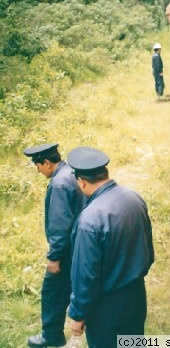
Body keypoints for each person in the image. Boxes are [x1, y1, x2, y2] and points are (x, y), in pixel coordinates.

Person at [67, 146, 154, 348]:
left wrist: (77, 314)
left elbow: (85, 274)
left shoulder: (89, 220)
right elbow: (147, 249)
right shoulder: (134, 197)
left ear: (81, 182)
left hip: (106, 308)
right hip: (136, 296)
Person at [23, 143, 85, 348]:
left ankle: (51, 335)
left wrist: (54, 257)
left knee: (52, 292)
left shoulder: (59, 183)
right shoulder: (72, 172)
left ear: (47, 162)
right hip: (80, 245)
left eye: (38, 166)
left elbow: (60, 224)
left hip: (66, 250)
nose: (38, 170)